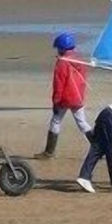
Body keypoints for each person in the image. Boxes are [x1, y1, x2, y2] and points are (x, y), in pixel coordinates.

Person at [35, 32, 92, 160]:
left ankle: (49, 152)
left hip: (64, 99)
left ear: (61, 48)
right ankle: (99, 147)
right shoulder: (80, 60)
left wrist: (55, 102)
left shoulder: (62, 63)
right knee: (83, 123)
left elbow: (58, 84)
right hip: (77, 97)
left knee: (55, 121)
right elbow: (82, 81)